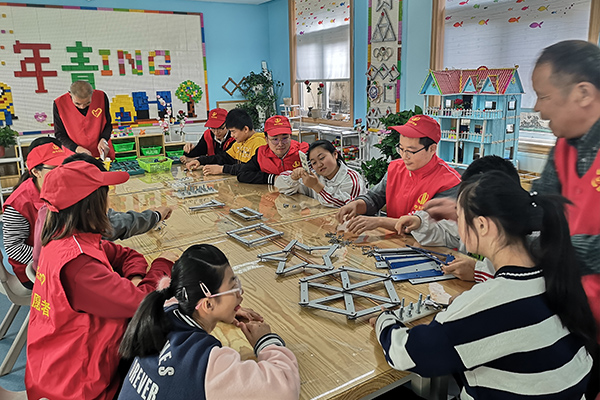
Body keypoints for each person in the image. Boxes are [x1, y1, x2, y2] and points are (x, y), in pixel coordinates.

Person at [373, 171, 596, 399]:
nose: (458, 226)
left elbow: (408, 355)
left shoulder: (493, 303)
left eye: (459, 218)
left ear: (482, 225)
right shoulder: (554, 277)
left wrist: (384, 319)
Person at [25, 160, 175, 400]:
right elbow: (145, 302)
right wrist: (163, 264)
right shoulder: (78, 265)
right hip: (77, 386)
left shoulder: (66, 238)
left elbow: (127, 255)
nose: (109, 205)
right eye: (106, 198)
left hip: (57, 363)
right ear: (89, 208)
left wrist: (136, 277)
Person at [117, 244, 301, 400]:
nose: (240, 293)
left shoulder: (161, 311)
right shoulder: (206, 363)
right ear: (207, 304)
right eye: (233, 287)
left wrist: (223, 310)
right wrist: (266, 341)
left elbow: (173, 291)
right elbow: (284, 389)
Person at [530, 40, 600, 341]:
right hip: (572, 313)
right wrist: (478, 207)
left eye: (543, 96)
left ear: (583, 93)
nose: (537, 108)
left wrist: (549, 250)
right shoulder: (563, 146)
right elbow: (539, 206)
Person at [30, 153, 174, 269]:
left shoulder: (51, 210)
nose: (108, 199)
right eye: (105, 192)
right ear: (89, 204)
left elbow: (124, 253)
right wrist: (155, 216)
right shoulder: (80, 258)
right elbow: (116, 224)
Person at [394, 155, 520, 282]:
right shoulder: (476, 219)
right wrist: (420, 223)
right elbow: (447, 234)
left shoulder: (522, 246)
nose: (458, 220)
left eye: (460, 214)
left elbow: (514, 280)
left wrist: (478, 272)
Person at [336, 115, 461, 234]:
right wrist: (356, 205)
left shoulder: (449, 182)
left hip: (428, 247)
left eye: (411, 151)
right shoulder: (396, 168)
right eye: (401, 148)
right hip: (393, 241)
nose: (404, 156)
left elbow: (428, 226)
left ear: (432, 149)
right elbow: (375, 198)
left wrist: (380, 222)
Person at [2, 137, 66, 287]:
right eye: (55, 168)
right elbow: (14, 248)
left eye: (65, 166)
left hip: (62, 256)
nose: (63, 173)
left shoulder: (62, 189)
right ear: (36, 172)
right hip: (32, 269)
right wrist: (54, 258)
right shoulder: (18, 204)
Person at [276, 139, 366, 207]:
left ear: (335, 154)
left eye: (322, 158)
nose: (319, 165)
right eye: (314, 162)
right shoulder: (314, 175)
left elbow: (349, 206)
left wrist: (316, 186)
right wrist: (293, 177)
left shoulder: (352, 178)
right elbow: (280, 185)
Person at [186, 109, 266, 176]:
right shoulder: (239, 143)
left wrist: (222, 169)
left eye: (233, 131)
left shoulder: (259, 143)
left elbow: (249, 168)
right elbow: (223, 157)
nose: (231, 135)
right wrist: (200, 161)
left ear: (245, 129)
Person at [237, 115, 308, 184]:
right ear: (266, 139)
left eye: (285, 138)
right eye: (275, 139)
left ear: (290, 136)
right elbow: (242, 174)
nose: (280, 144)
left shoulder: (303, 150)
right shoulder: (261, 154)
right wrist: (272, 178)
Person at [53, 80, 115, 159]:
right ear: (70, 94)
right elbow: (59, 135)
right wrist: (76, 148)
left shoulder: (101, 97)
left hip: (101, 152)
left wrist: (104, 139)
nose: (82, 107)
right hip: (75, 153)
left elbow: (108, 124)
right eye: (77, 103)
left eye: (87, 103)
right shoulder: (59, 104)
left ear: (92, 94)